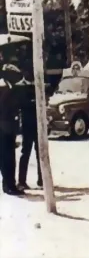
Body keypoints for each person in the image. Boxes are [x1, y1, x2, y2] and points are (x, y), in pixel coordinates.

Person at [16, 69, 42, 190]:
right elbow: (24, 104)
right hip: (27, 124)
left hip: (38, 124)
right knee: (25, 153)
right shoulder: (20, 87)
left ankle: (41, 179)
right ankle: (22, 181)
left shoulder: (37, 85)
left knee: (40, 152)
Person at [0, 64, 23, 195]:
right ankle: (9, 185)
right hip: (4, 128)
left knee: (9, 158)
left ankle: (9, 184)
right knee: (6, 159)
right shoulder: (4, 88)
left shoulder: (9, 87)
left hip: (8, 128)